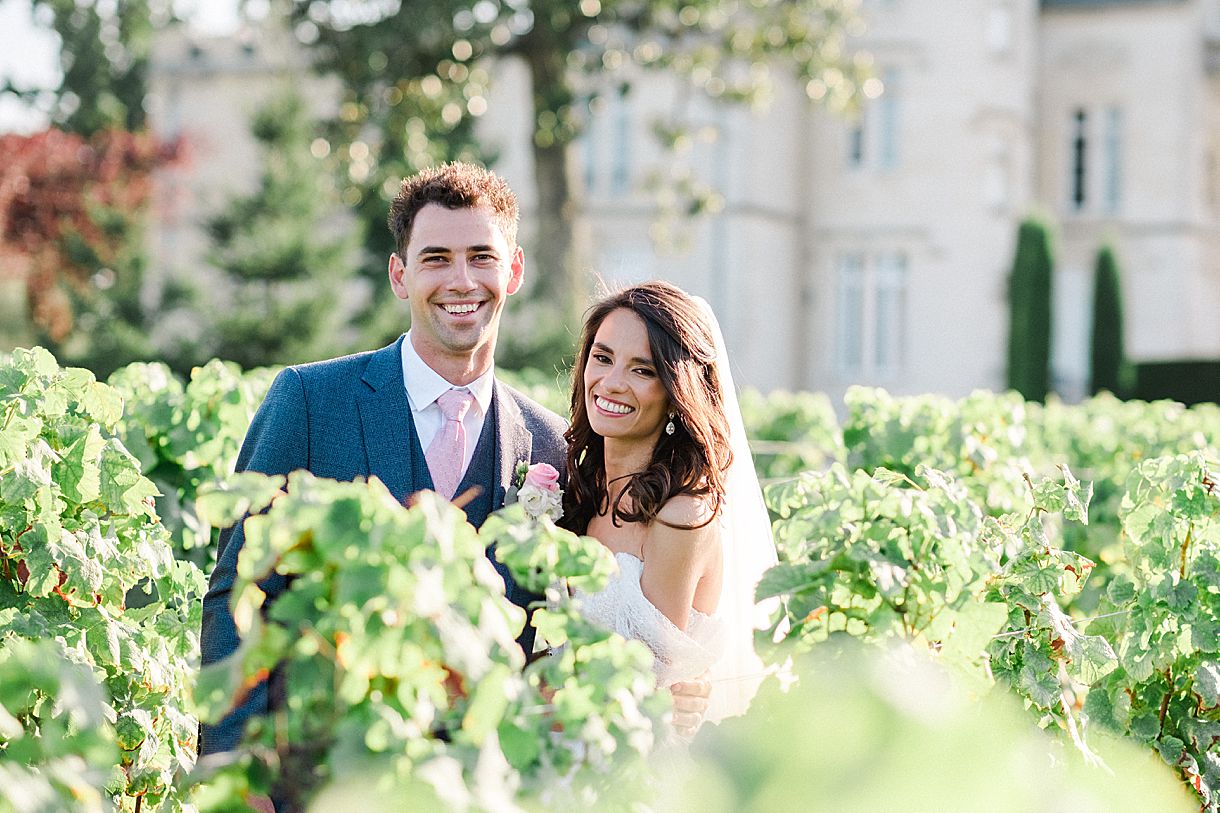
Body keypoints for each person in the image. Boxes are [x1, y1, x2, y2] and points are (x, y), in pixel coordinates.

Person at [198, 165, 710, 788]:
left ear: (513, 271)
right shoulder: (309, 401)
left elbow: (565, 627)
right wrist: (234, 778)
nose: (461, 281)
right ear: (400, 274)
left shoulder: (553, 442)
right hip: (321, 782)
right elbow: (236, 593)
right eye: (436, 258)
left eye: (481, 257)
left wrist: (668, 688)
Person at [563, 282, 778, 725]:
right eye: (602, 359)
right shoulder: (581, 490)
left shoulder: (681, 517)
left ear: (677, 392)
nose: (612, 382)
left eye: (642, 370)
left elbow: (645, 690)